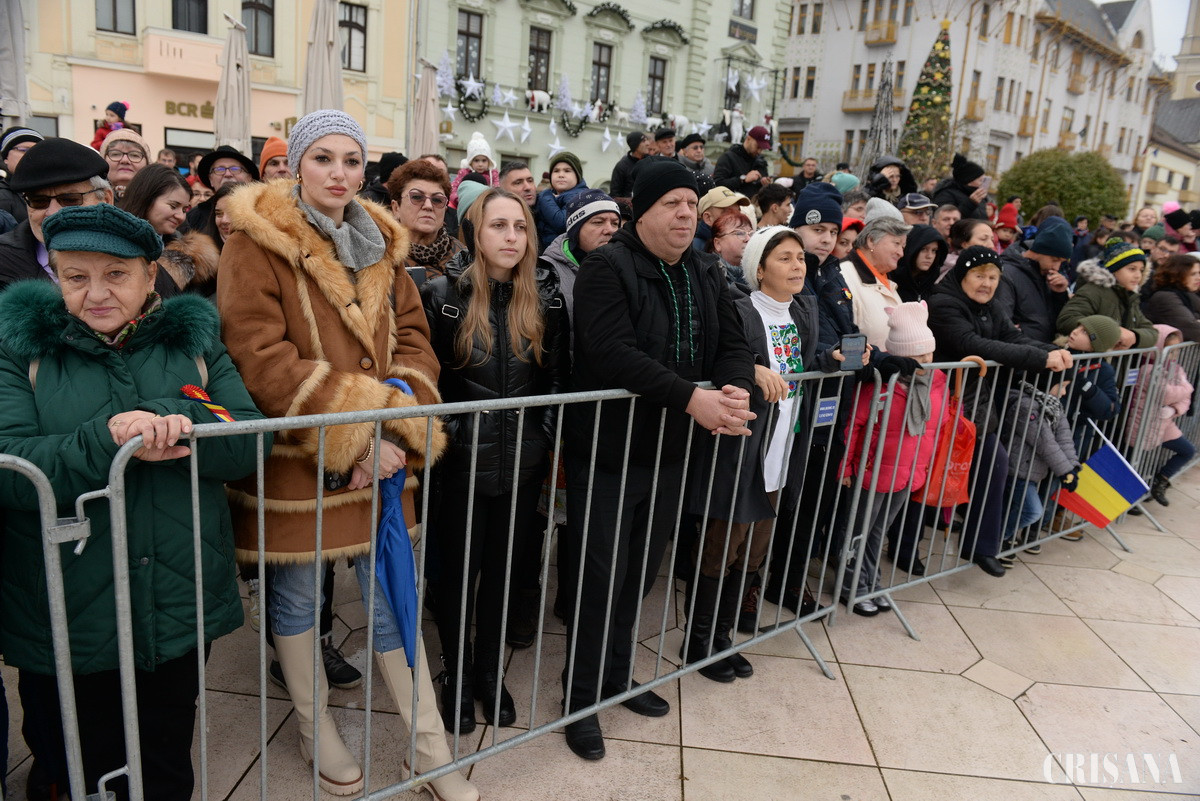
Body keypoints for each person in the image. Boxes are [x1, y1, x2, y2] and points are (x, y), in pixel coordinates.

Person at [215, 110, 479, 801]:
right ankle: (314, 728)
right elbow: (258, 356)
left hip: (384, 460)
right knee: (298, 596)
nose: (338, 173)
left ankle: (429, 748)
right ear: (297, 164)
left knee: (393, 597)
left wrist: (391, 431)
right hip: (297, 457)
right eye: (323, 158)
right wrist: (357, 436)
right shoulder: (255, 240)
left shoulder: (384, 241)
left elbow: (415, 341)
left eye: (352, 160)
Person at [0, 203, 265, 801]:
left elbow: (248, 439)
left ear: (150, 276)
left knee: (164, 754)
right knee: (75, 758)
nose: (96, 293)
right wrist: (107, 441)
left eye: (116, 274)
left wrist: (178, 420)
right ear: (55, 277)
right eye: (76, 276)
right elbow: (10, 465)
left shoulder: (194, 341)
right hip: (67, 602)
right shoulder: (20, 348)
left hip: (176, 594)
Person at [560, 158, 755, 761]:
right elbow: (611, 352)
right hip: (610, 452)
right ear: (641, 211)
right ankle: (580, 700)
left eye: (692, 204)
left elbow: (732, 342)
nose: (685, 214)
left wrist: (734, 388)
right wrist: (693, 398)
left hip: (673, 451)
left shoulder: (701, 268)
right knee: (600, 577)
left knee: (641, 574)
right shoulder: (606, 266)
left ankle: (617, 677)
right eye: (672, 202)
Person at [421, 187, 568, 734]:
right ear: (474, 234)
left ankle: (488, 670)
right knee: (458, 576)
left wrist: (540, 439)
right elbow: (428, 382)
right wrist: (452, 438)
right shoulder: (443, 295)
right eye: (499, 225)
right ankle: (456, 672)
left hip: (522, 465)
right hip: (459, 466)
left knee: (504, 573)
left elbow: (557, 380)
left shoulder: (546, 298)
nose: (511, 237)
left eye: (520, 226)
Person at [683, 225, 837, 674]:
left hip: (782, 446)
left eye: (800, 258)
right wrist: (751, 368)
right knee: (722, 544)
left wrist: (828, 362)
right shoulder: (741, 309)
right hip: (744, 448)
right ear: (760, 268)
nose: (797, 266)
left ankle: (724, 636)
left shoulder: (802, 311)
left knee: (754, 549)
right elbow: (716, 357)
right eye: (785, 258)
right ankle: (698, 641)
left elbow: (796, 368)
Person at [928, 246, 1071, 577]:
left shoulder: (990, 306)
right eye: (979, 276)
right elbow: (972, 344)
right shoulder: (943, 303)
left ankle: (982, 546)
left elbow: (1012, 337)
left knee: (995, 465)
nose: (987, 284)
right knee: (925, 478)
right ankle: (903, 549)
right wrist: (1041, 359)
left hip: (976, 408)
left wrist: (1053, 352)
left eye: (993, 277)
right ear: (962, 275)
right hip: (942, 406)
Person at [837, 301, 951, 615]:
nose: (925, 362)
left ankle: (871, 582)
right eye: (917, 356)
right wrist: (846, 466)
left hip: (908, 472)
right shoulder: (880, 385)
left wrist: (926, 466)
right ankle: (851, 587)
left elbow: (937, 429)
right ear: (900, 356)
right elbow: (854, 425)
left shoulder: (938, 384)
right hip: (872, 471)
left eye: (928, 354)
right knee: (858, 531)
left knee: (879, 530)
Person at [0, 138, 178, 299]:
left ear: (106, 200)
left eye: (70, 200)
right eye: (39, 201)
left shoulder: (139, 260)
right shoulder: (4, 260)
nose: (53, 213)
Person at [996, 377, 1081, 566]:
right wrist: (1064, 470)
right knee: (1033, 511)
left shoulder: (1054, 407)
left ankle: (1002, 539)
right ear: (1046, 383)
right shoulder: (1025, 405)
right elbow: (1044, 441)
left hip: (1031, 472)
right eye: (1062, 387)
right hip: (1017, 469)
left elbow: (1064, 438)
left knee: (1016, 509)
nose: (1064, 393)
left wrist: (1072, 466)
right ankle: (998, 539)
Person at [118, 164, 219, 295]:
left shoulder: (188, 256)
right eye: (173, 206)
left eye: (184, 209)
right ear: (146, 198)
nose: (181, 216)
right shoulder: (112, 243)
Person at [1128, 324, 1195, 506]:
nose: (1174, 355)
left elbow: (1184, 399)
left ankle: (1160, 481)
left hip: (1165, 422)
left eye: (1177, 350)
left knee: (1188, 451)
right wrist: (1187, 388)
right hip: (1145, 423)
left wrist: (1175, 409)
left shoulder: (1176, 368)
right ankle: (1130, 501)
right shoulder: (1148, 369)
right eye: (1170, 350)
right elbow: (1166, 394)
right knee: (1136, 463)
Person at [538, 188, 621, 335]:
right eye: (598, 222)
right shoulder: (545, 272)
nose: (610, 230)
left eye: (615, 223)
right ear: (575, 230)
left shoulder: (628, 267)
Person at [1057, 239, 1157, 349]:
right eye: (1132, 269)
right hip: (1089, 358)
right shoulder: (1093, 291)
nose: (1138, 275)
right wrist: (1111, 332)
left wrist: (1135, 336)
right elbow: (1066, 320)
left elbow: (1152, 332)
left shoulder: (1131, 297)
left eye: (1141, 270)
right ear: (1114, 270)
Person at [993, 216, 1074, 343]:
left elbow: (1054, 322)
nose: (1057, 267)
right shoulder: (1007, 273)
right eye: (1054, 260)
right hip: (1022, 350)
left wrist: (1059, 294)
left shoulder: (1046, 274)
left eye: (1061, 262)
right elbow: (1002, 323)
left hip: (1042, 349)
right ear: (1040, 249)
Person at [387, 158, 462, 285]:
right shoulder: (380, 256)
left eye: (437, 200)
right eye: (417, 197)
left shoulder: (464, 259)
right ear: (396, 208)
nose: (428, 206)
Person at [839, 217, 910, 349]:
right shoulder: (844, 275)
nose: (901, 253)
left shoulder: (888, 282)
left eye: (903, 246)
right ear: (871, 241)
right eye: (896, 243)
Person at [184, 146, 259, 231]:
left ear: (249, 178)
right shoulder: (195, 216)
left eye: (235, 169)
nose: (227, 174)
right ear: (211, 179)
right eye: (219, 169)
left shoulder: (263, 211)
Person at [536, 151, 589, 251]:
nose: (561, 175)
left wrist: (545, 196)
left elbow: (561, 223)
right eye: (556, 171)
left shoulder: (580, 196)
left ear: (577, 175)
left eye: (567, 171)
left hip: (565, 254)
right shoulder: (552, 195)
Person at [1143, 254, 1200, 341]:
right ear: (1177, 274)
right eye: (1193, 274)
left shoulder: (1189, 295)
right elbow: (1192, 329)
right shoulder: (1165, 297)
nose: (1198, 278)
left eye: (1199, 273)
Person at [892, 224, 948, 302]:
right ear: (910, 249)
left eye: (934, 250)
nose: (929, 256)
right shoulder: (891, 281)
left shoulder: (933, 286)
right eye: (923, 249)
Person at [713, 126, 772, 199]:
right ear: (748, 139)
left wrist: (765, 183)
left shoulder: (761, 162)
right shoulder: (728, 157)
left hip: (755, 203)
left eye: (762, 148)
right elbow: (717, 183)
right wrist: (743, 179)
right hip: (733, 203)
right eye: (758, 146)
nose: (759, 151)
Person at [0, 126, 43, 222]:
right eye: (24, 150)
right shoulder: (3, 197)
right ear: (6, 158)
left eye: (37, 151)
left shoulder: (52, 192)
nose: (31, 155)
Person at [931, 154, 990, 220]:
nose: (983, 184)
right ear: (969, 181)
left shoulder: (979, 197)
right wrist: (970, 204)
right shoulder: (945, 194)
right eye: (981, 180)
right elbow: (946, 220)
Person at [695, 186, 753, 251]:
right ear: (708, 218)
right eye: (728, 213)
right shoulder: (695, 249)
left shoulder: (747, 240)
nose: (736, 217)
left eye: (738, 211)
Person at [100, 128, 151, 199]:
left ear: (147, 164)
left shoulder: (158, 199)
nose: (125, 160)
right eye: (115, 154)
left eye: (134, 155)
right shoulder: (88, 200)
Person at [609, 131, 652, 198]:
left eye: (647, 140)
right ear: (635, 145)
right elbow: (615, 194)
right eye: (643, 141)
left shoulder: (652, 162)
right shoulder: (622, 166)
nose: (648, 143)